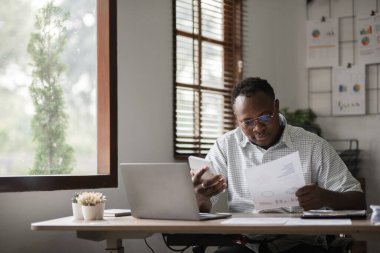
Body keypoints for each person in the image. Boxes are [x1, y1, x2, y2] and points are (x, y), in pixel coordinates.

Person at [191, 77, 366, 253]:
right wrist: (200, 199)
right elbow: (201, 207)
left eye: (265, 116)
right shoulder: (225, 147)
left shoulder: (313, 145)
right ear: (237, 118)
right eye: (248, 121)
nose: (258, 128)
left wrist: (325, 197)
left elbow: (358, 201)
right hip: (245, 245)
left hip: (300, 244)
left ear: (276, 106)